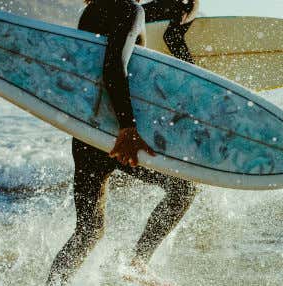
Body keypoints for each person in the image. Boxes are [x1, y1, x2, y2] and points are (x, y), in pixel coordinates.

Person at [47, 0, 199, 284]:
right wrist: (127, 128)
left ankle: (53, 283)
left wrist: (176, 19)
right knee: (183, 189)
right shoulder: (130, 10)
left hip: (88, 134)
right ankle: (138, 261)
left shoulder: (94, 10)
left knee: (88, 231)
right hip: (117, 134)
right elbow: (114, 65)